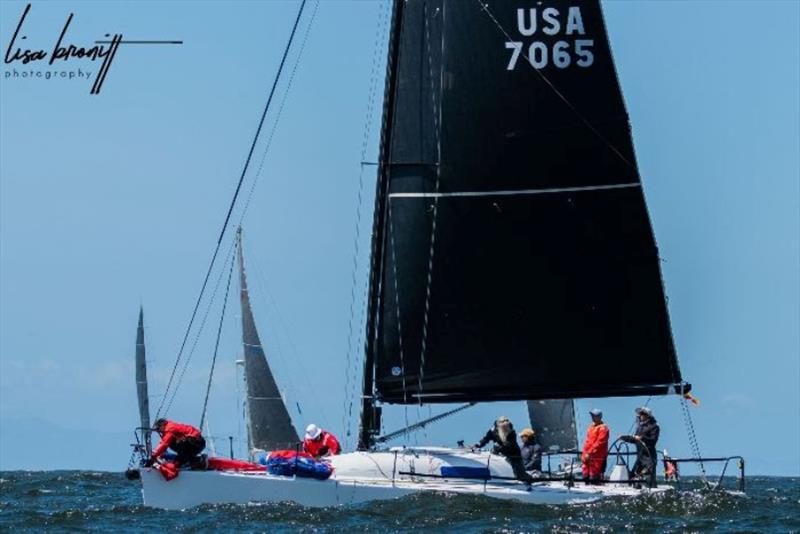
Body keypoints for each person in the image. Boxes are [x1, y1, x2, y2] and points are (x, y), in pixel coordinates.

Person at [473, 416, 532, 483]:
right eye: (504, 426)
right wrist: (477, 445)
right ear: (499, 425)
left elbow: (510, 444)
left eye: (507, 425)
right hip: (502, 456)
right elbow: (485, 439)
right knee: (507, 472)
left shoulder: (511, 432)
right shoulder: (493, 431)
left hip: (514, 455)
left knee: (520, 474)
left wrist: (499, 448)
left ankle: (532, 480)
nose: (506, 427)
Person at [621, 406, 660, 485]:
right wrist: (624, 438)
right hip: (640, 457)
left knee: (649, 478)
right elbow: (635, 440)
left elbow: (653, 441)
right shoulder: (640, 427)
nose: (640, 415)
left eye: (642, 414)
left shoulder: (654, 427)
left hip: (649, 458)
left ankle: (651, 488)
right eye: (640, 414)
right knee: (634, 477)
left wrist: (642, 438)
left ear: (647, 415)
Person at [581, 408, 609, 484]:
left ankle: (596, 489)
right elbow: (587, 442)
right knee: (585, 474)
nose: (592, 417)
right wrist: (584, 454)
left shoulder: (603, 428)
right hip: (587, 456)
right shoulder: (591, 427)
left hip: (597, 457)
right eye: (592, 415)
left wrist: (589, 453)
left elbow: (599, 443)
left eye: (594, 416)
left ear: (599, 417)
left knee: (594, 476)